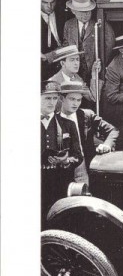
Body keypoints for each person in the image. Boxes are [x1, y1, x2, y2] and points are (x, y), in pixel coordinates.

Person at [59, 81, 119, 185]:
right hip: (62, 171)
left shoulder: (87, 115)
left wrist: (107, 145)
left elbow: (113, 130)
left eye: (79, 100)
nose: (75, 103)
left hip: (84, 168)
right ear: (62, 98)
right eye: (72, 99)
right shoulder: (53, 118)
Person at [41, 80, 83, 222]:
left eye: (54, 98)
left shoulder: (68, 125)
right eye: (47, 98)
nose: (52, 102)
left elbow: (78, 155)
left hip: (60, 184)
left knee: (61, 222)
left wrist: (66, 161)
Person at [63, 0, 115, 86]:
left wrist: (100, 65)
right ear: (73, 11)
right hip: (74, 74)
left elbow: (109, 46)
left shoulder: (101, 25)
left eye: (88, 11)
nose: (86, 14)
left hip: (96, 73)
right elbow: (66, 46)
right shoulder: (68, 25)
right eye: (82, 12)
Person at [41, 0, 63, 80]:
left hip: (63, 65)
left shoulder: (64, 15)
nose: (49, 6)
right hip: (43, 67)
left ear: (56, 1)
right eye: (45, 2)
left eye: (52, 2)